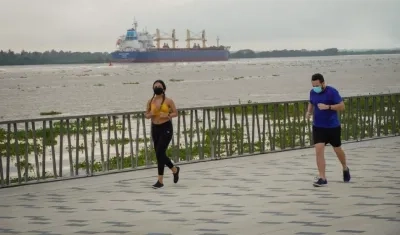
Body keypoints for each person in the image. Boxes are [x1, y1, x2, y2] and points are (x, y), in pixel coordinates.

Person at [306, 73, 351, 187]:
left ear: (323, 83)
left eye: (317, 85)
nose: (315, 87)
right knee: (319, 150)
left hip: (332, 127)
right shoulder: (312, 92)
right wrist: (309, 112)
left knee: (337, 149)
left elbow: (342, 106)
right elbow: (311, 102)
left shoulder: (332, 92)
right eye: (313, 85)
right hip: (318, 127)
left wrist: (328, 107)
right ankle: (322, 177)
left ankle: (345, 167)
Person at [145, 80, 180, 189]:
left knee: (160, 152)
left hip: (166, 128)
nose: (157, 87)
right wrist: (151, 114)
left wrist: (167, 115)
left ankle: (160, 180)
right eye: (155, 86)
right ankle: (173, 170)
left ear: (164, 88)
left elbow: (176, 113)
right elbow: (146, 114)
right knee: (159, 154)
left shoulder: (169, 101)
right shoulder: (150, 101)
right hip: (155, 128)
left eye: (159, 86)